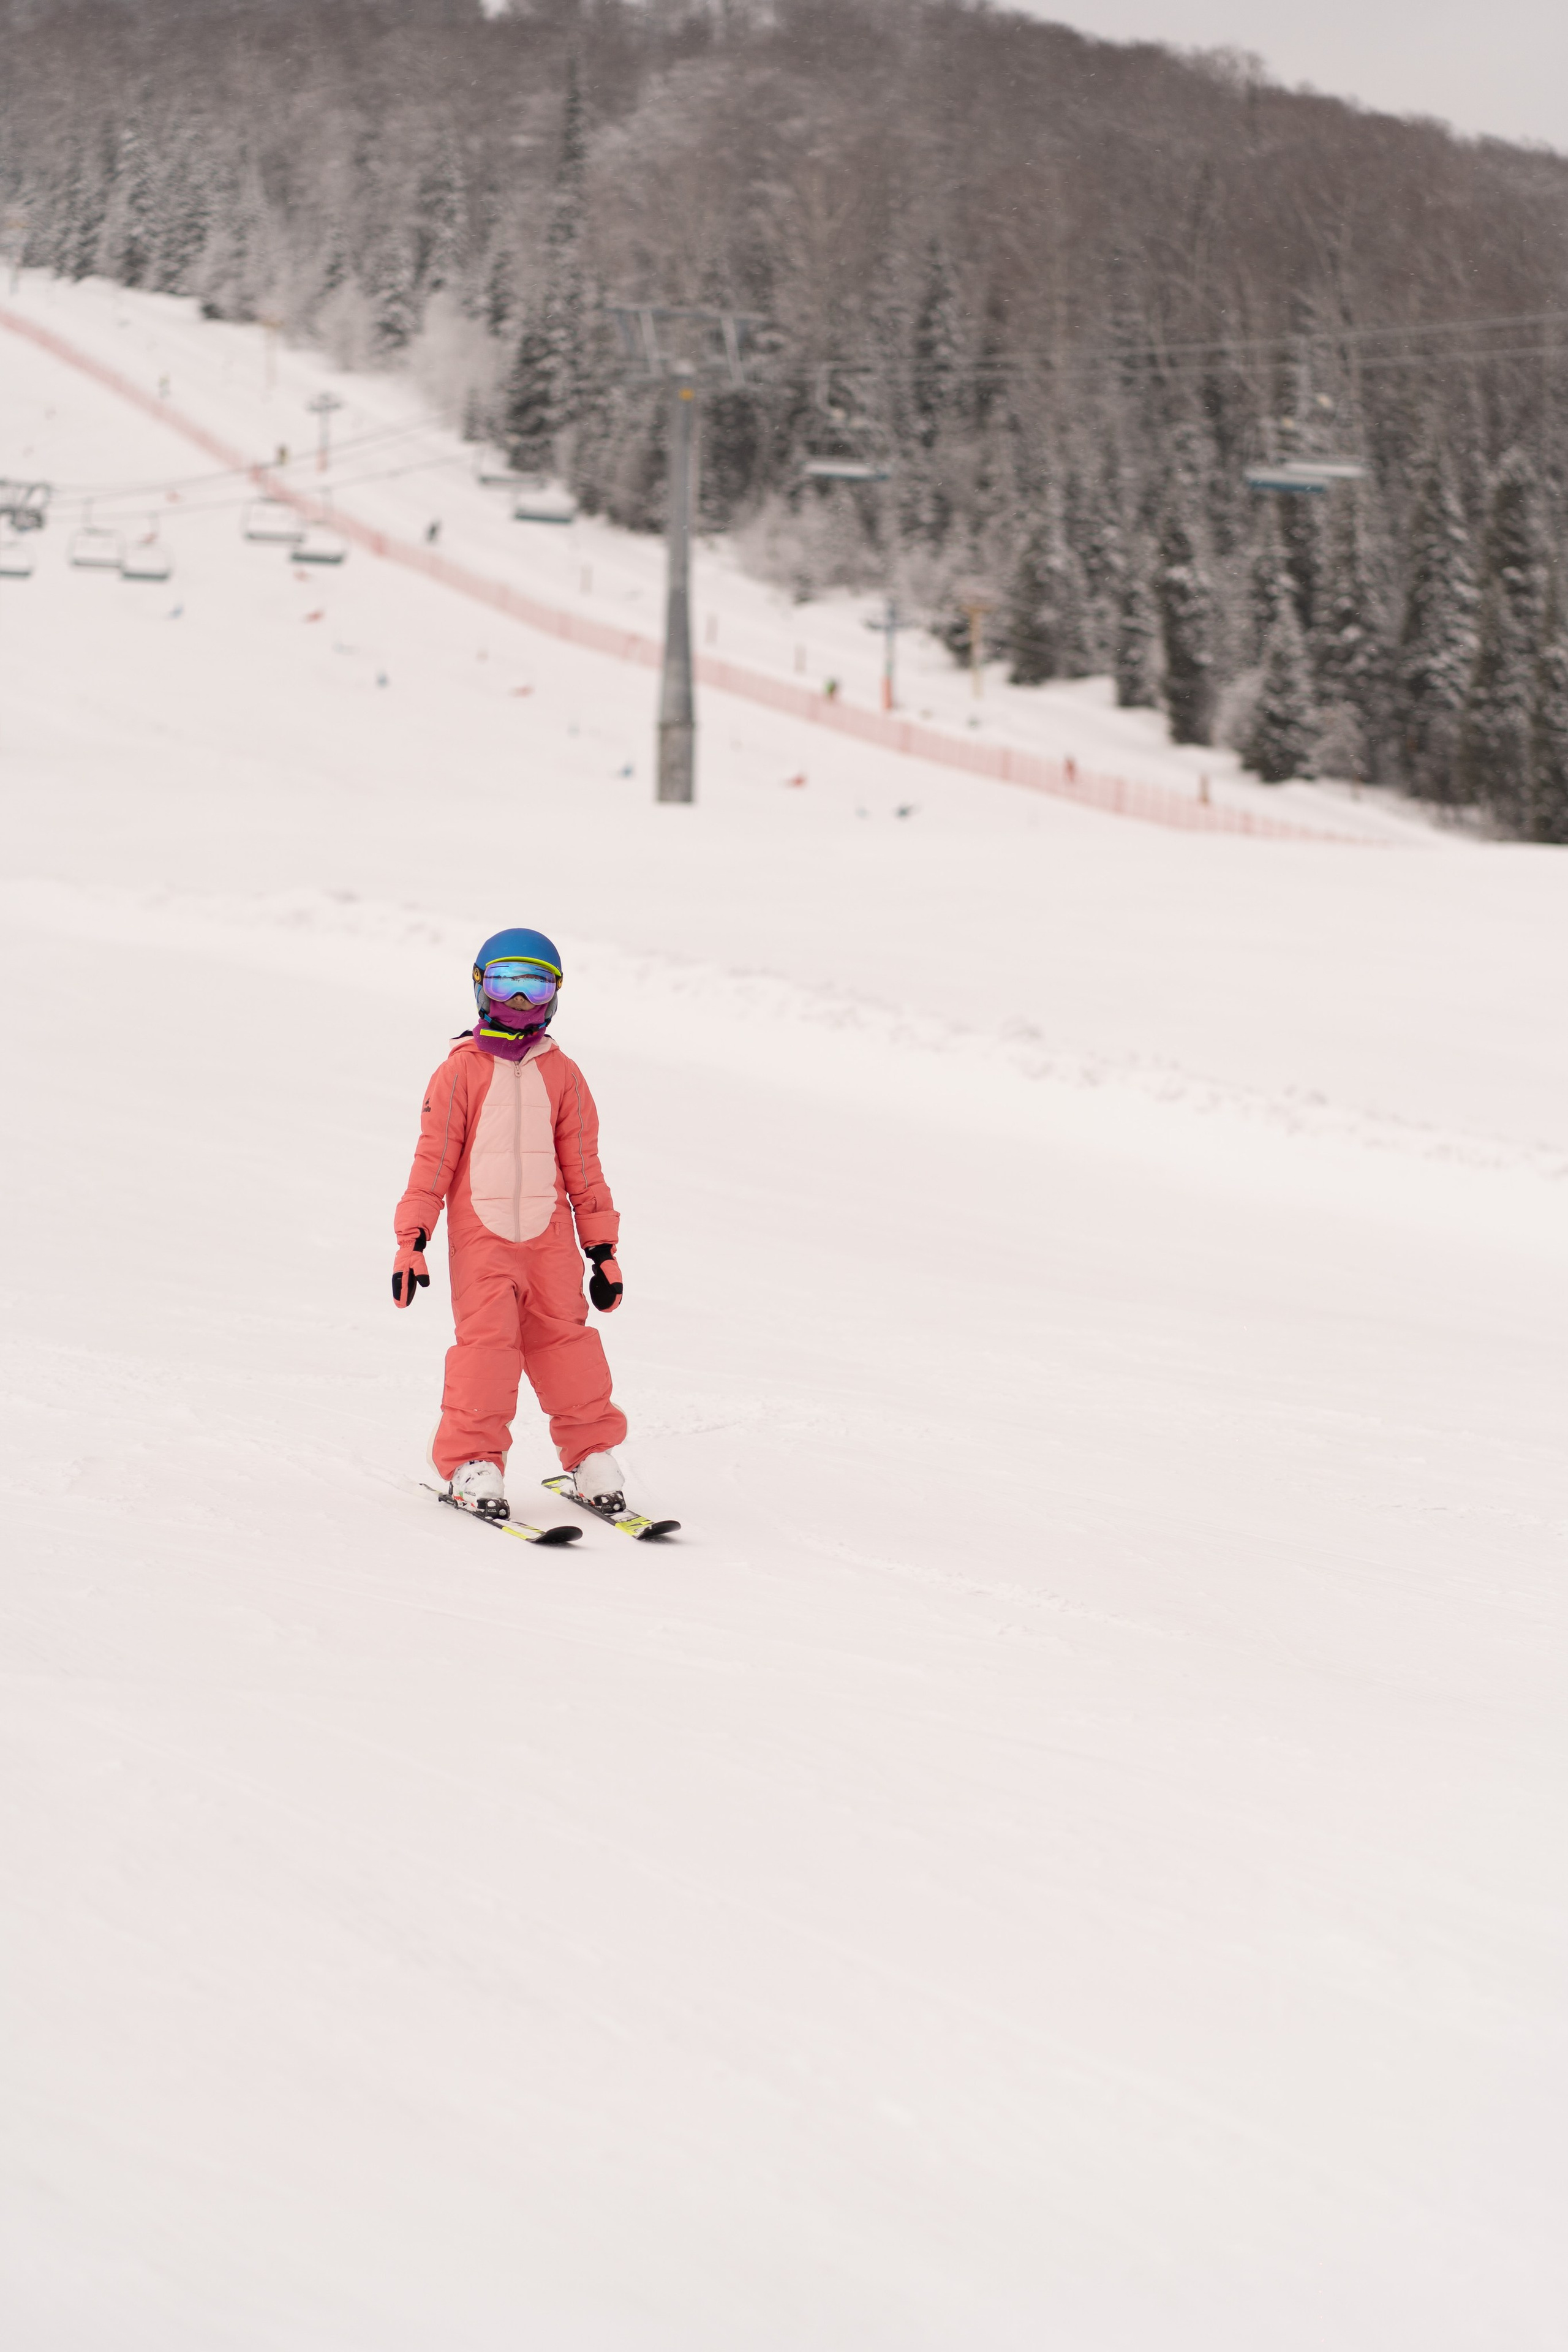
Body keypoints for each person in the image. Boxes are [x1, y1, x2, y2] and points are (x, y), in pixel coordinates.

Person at [393, 926, 628, 1520]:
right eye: (505, 984)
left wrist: (601, 1249)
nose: (519, 1002)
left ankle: (590, 1453)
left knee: (567, 1346)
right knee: (487, 1349)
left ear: (555, 995)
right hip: (483, 1239)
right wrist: (412, 1240)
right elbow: (433, 1161)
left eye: (534, 986)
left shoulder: (564, 1075)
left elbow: (583, 1167)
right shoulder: (459, 1072)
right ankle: (473, 1461)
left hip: (549, 1241)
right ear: (480, 988)